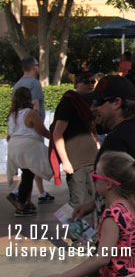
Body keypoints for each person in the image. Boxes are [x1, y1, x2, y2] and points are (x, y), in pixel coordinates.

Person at [72, 75, 135, 277]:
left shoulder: (118, 139)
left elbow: (102, 257)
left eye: (97, 102)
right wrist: (92, 203)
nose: (92, 108)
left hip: (130, 243)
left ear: (117, 103)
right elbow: (128, 181)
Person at [49, 151, 135, 277]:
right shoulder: (134, 206)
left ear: (108, 184)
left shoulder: (113, 215)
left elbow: (102, 258)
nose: (93, 179)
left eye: (95, 176)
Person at [51, 68, 100, 209]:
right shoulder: (68, 103)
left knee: (95, 200)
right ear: (77, 84)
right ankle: (69, 229)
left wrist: (97, 145)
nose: (91, 84)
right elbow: (57, 133)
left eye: (93, 81)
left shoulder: (88, 104)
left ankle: (96, 231)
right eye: (86, 81)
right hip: (76, 161)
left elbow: (90, 128)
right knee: (76, 201)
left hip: (91, 158)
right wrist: (65, 162)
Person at [9, 56, 54, 205]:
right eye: (37, 65)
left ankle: (35, 196)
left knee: (27, 170)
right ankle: (22, 199)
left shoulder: (17, 85)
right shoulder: (34, 83)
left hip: (17, 141)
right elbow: (35, 105)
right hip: (32, 134)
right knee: (33, 167)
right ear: (34, 67)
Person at [6, 87, 53, 216]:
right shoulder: (30, 113)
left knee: (27, 175)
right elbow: (42, 131)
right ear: (27, 99)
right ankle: (21, 207)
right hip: (28, 148)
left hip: (14, 147)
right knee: (28, 176)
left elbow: (9, 135)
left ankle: (26, 203)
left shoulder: (12, 114)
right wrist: (56, 139)